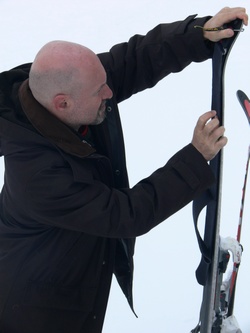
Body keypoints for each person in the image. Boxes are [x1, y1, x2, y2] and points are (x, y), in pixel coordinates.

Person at [0, 6, 248, 333]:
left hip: (72, 270)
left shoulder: (57, 93)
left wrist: (197, 35)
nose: (110, 92)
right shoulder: (38, 176)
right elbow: (126, 215)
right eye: (99, 91)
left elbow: (127, 63)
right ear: (62, 104)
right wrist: (194, 157)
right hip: (38, 309)